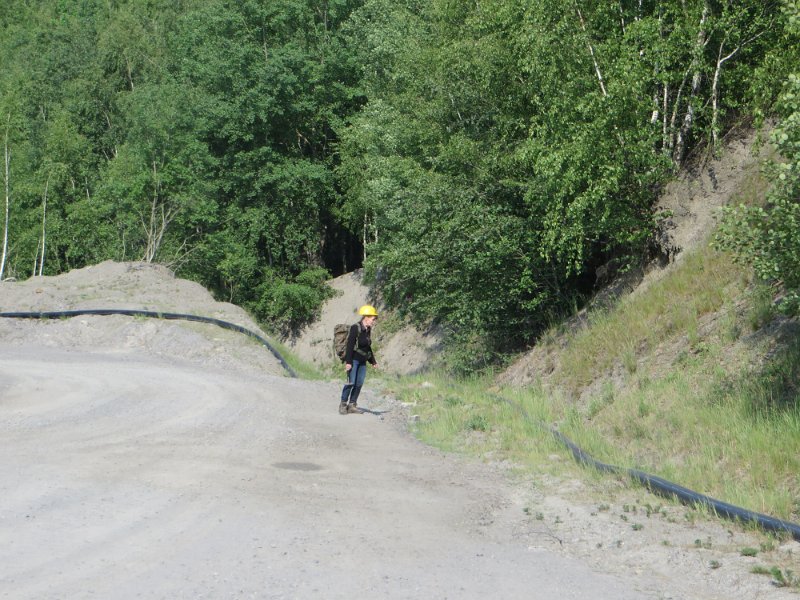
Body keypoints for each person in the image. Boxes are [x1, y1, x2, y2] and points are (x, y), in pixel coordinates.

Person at [339, 304, 379, 415]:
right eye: (373, 319)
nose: (373, 321)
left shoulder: (368, 329)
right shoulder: (355, 328)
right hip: (354, 360)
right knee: (351, 383)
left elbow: (367, 347)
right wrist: (348, 362)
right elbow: (350, 345)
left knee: (359, 383)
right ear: (366, 317)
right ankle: (343, 404)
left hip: (362, 361)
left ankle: (352, 405)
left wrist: (373, 361)